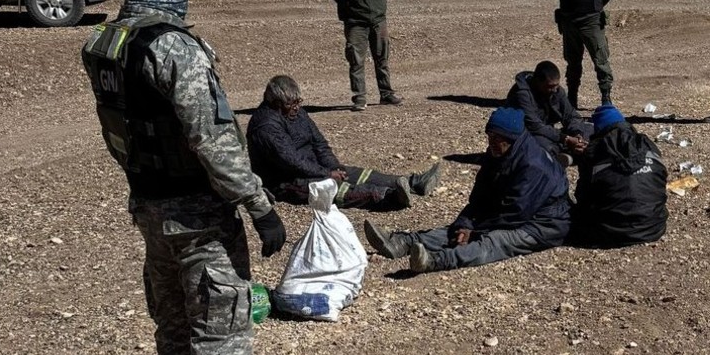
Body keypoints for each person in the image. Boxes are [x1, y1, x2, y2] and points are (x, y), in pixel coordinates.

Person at [80, 0, 296, 355]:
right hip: (197, 210)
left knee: (173, 312)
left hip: (148, 203)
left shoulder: (104, 43)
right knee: (221, 316)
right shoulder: (174, 48)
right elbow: (213, 140)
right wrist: (259, 206)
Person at [363, 108, 570, 273]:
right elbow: (479, 198)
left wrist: (475, 231)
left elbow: (515, 214)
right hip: (507, 211)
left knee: (494, 241)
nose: (491, 143)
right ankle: (402, 242)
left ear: (511, 139)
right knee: (457, 230)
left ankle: (434, 261)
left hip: (543, 224)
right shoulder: (497, 154)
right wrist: (464, 224)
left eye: (497, 139)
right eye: (490, 136)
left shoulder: (534, 166)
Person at [246, 75, 440, 209]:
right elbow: (291, 161)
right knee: (335, 189)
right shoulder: (266, 126)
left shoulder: (297, 113)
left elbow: (318, 142)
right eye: (291, 104)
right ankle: (388, 197)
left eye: (298, 102)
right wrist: (327, 174)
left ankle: (411, 183)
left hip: (313, 167)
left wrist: (334, 167)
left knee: (356, 174)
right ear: (275, 103)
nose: (296, 108)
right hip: (286, 181)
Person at [573, 105, 668, 247]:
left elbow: (582, 195)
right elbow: (660, 179)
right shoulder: (645, 143)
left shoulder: (595, 150)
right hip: (653, 228)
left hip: (609, 233)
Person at [505, 60, 593, 166]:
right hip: (528, 134)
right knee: (539, 144)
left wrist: (577, 135)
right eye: (550, 86)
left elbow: (571, 116)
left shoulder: (556, 91)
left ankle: (566, 154)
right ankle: (564, 155)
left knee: (590, 130)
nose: (555, 90)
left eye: (556, 86)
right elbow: (535, 126)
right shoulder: (521, 95)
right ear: (538, 82)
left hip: (550, 133)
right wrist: (566, 139)